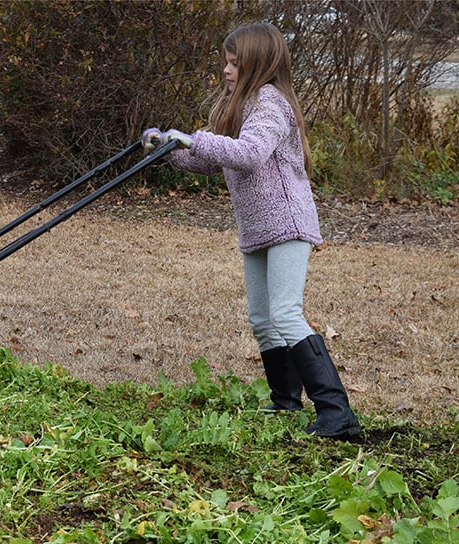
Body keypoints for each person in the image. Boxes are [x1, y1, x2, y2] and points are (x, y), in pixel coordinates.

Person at [142, 22, 360, 438]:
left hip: (287, 221)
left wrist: (194, 138)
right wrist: (170, 150)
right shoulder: (244, 106)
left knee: (285, 313)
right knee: (262, 318)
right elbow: (215, 160)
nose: (225, 70)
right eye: (225, 61)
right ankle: (285, 401)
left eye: (234, 63)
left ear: (257, 64)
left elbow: (250, 154)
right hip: (258, 225)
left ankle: (337, 412)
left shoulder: (272, 104)